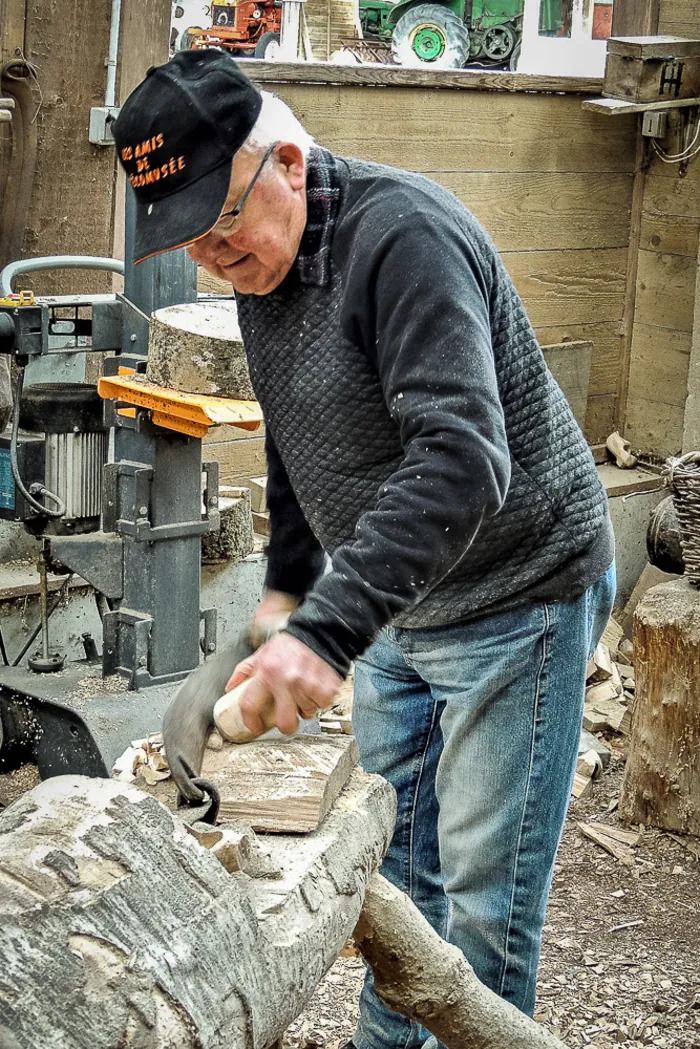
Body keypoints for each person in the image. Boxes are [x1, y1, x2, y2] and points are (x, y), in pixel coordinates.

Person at [114, 49, 616, 1049]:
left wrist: (326, 637)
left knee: (477, 906)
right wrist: (287, 598)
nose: (212, 258)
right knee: (385, 870)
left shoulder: (405, 240)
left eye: (222, 228)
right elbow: (303, 443)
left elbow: (465, 459)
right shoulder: (264, 265)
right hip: (398, 609)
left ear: (289, 165)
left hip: (515, 600)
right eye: (191, 245)